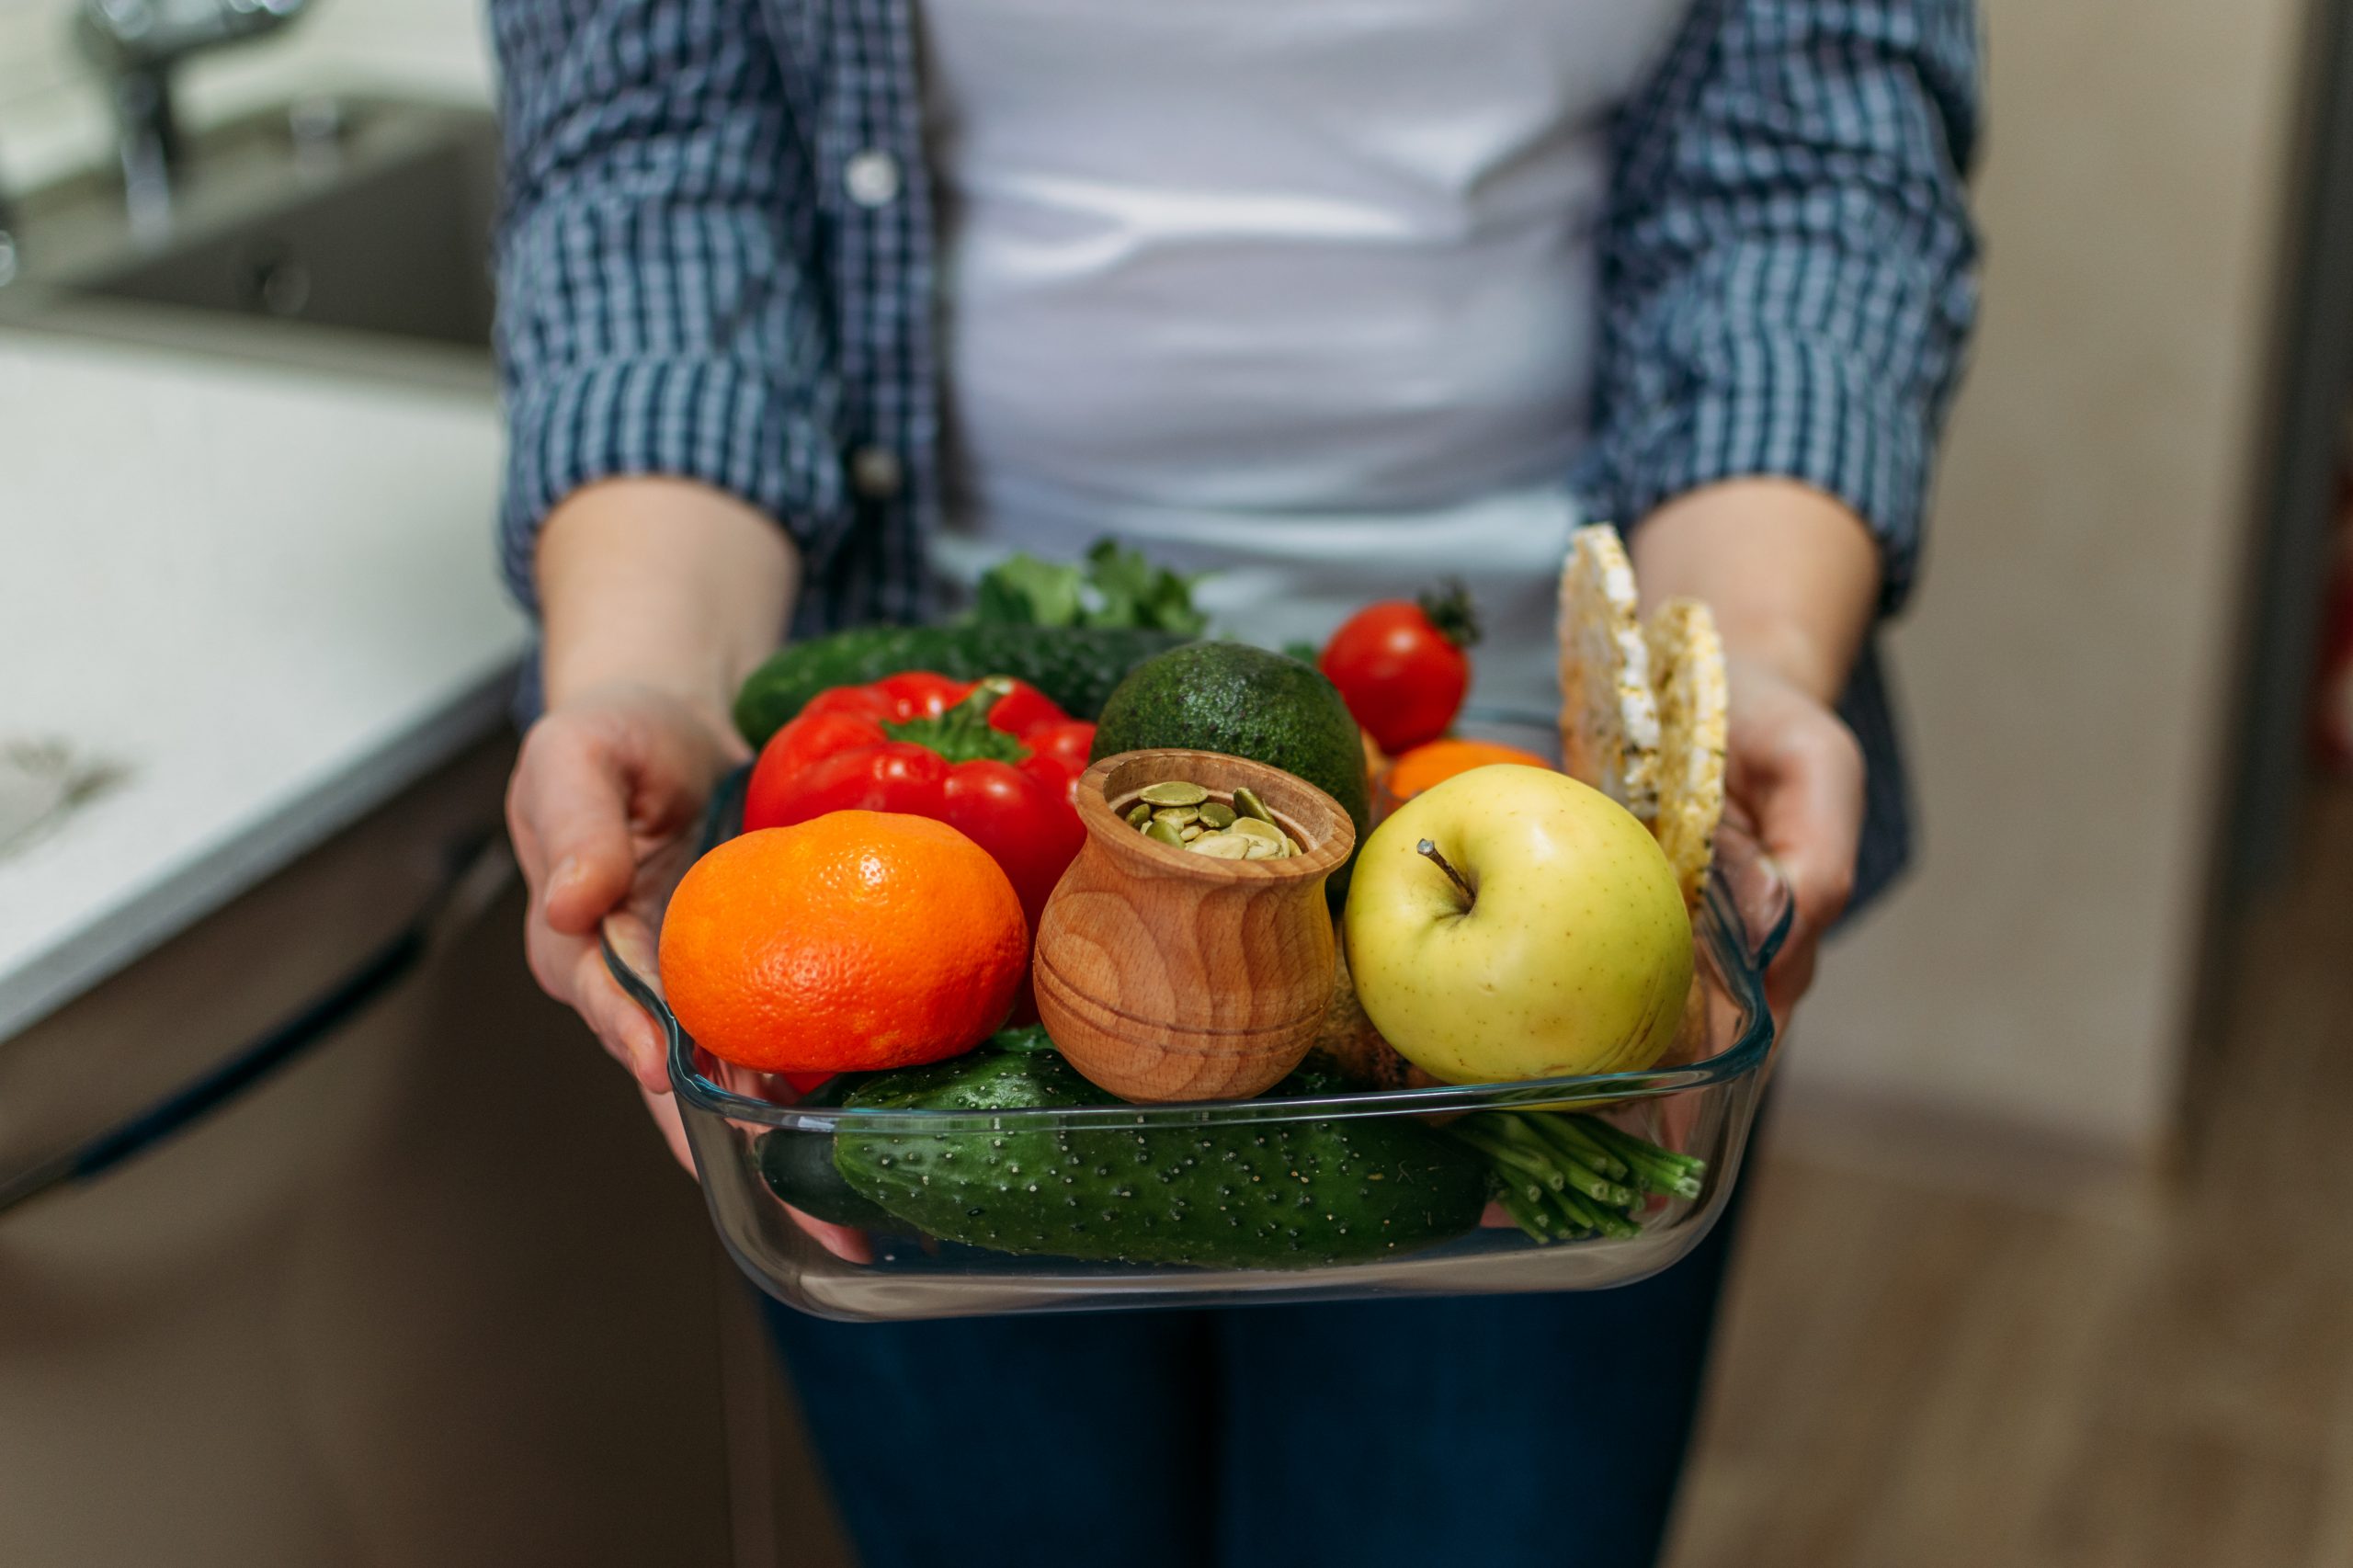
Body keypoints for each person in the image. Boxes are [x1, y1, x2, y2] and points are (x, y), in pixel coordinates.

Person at [491, 1, 1978, 1562]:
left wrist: (1749, 653)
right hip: (908, 849)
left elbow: (1813, 170)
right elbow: (650, 166)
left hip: (1542, 780)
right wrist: (648, 667)